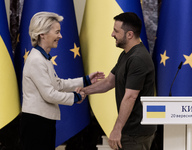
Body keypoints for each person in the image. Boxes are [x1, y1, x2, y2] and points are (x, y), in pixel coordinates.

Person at [20, 11, 104, 150]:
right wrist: (76, 97)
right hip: (36, 124)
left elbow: (58, 84)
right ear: (42, 34)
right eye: (57, 32)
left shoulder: (43, 58)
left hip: (42, 121)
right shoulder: (36, 60)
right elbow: (49, 94)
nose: (60, 36)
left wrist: (86, 80)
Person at [78, 12, 157, 150]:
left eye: (116, 31)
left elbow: (130, 97)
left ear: (129, 35)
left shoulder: (137, 59)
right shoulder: (127, 54)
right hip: (130, 130)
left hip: (135, 133)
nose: (112, 34)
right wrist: (84, 91)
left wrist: (116, 129)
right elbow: (109, 82)